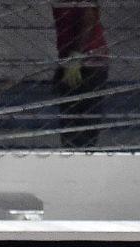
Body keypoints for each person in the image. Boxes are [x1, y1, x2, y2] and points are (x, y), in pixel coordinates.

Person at [50, 1, 108, 148]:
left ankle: (82, 155)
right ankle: (74, 154)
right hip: (73, 58)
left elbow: (88, 18)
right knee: (71, 118)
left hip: (88, 60)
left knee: (84, 118)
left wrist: (77, 55)